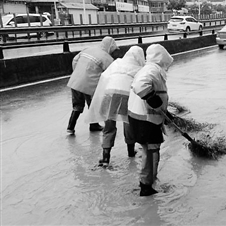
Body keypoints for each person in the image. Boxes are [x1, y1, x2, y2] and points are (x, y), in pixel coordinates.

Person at [85, 46, 145, 167]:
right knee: (129, 124)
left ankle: (105, 158)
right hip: (126, 96)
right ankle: (130, 152)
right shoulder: (139, 68)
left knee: (109, 125)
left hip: (109, 94)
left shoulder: (117, 62)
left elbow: (104, 77)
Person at [127, 44, 173, 197]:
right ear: (162, 58)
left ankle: (147, 181)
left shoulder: (149, 69)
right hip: (146, 120)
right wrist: (154, 101)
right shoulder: (151, 70)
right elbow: (141, 86)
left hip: (141, 117)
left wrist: (165, 113)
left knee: (148, 151)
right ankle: (147, 187)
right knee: (152, 152)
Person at [66, 36, 118, 134]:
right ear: (109, 47)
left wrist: (77, 72)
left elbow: (75, 60)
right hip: (89, 85)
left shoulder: (88, 49)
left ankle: (70, 128)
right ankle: (93, 125)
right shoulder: (107, 58)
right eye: (113, 49)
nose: (113, 51)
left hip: (75, 80)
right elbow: (110, 74)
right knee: (93, 104)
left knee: (77, 105)